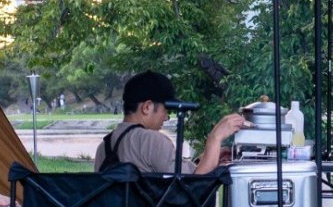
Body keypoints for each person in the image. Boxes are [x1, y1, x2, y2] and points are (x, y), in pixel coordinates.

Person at [94, 71, 247, 174]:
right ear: (147, 107)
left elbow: (184, 172)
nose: (166, 117)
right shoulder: (153, 140)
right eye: (166, 109)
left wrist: (208, 157)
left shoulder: (104, 147)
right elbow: (196, 185)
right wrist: (215, 138)